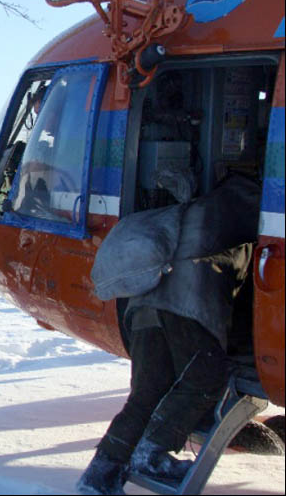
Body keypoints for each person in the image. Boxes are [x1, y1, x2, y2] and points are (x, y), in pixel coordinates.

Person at [77, 173, 261, 495]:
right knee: (207, 377)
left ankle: (100, 472)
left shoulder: (201, 209)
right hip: (184, 303)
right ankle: (151, 453)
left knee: (148, 390)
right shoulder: (251, 209)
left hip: (143, 298)